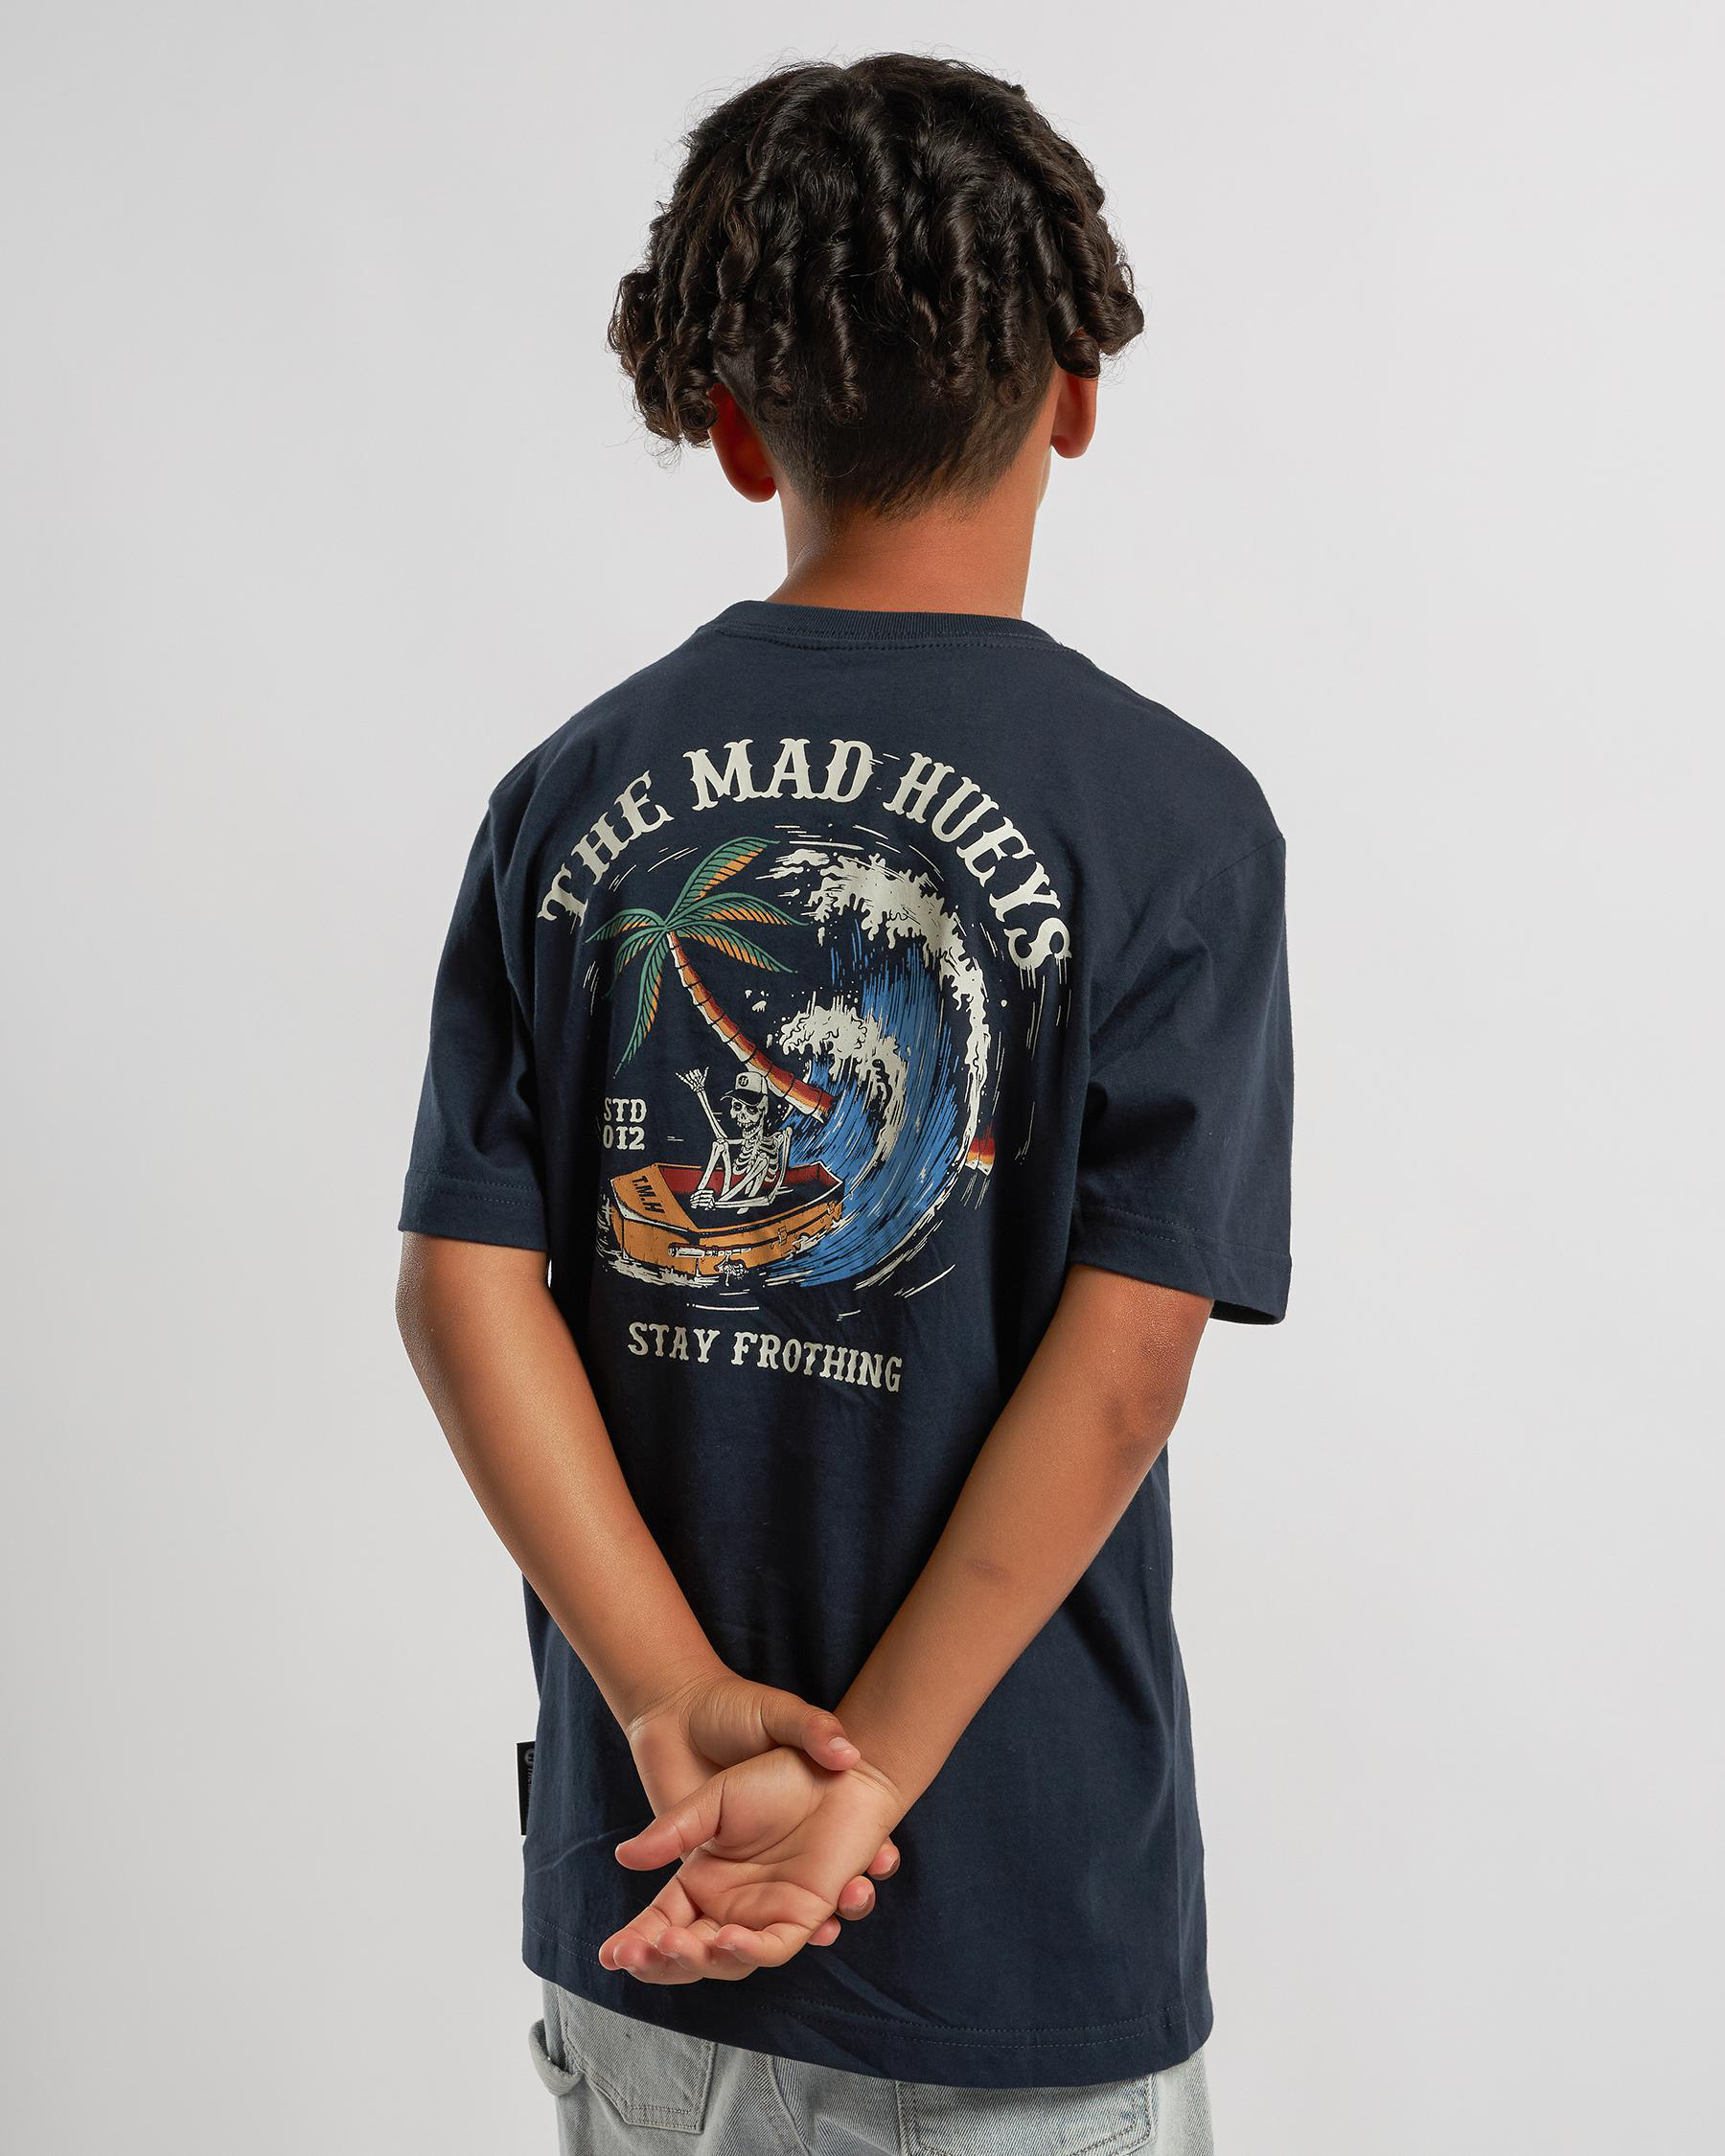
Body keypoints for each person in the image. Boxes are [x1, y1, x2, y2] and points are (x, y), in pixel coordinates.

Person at [397, 52, 1290, 2153]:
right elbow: (1129, 1359)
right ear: (1075, 392)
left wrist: (669, 1700)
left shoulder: (574, 793)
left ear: (731, 426)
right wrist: (865, 1769)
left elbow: (461, 1289)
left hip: (653, 1894)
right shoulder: (1173, 817)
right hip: (1009, 1937)